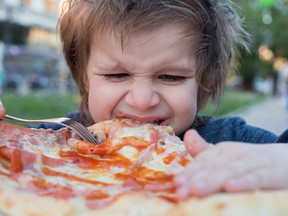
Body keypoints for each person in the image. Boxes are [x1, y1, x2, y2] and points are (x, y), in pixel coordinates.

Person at [1, 0, 288, 199]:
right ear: (83, 76)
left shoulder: (229, 142)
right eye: (117, 75)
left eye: (171, 77)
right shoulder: (46, 146)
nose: (142, 101)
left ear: (204, 82)